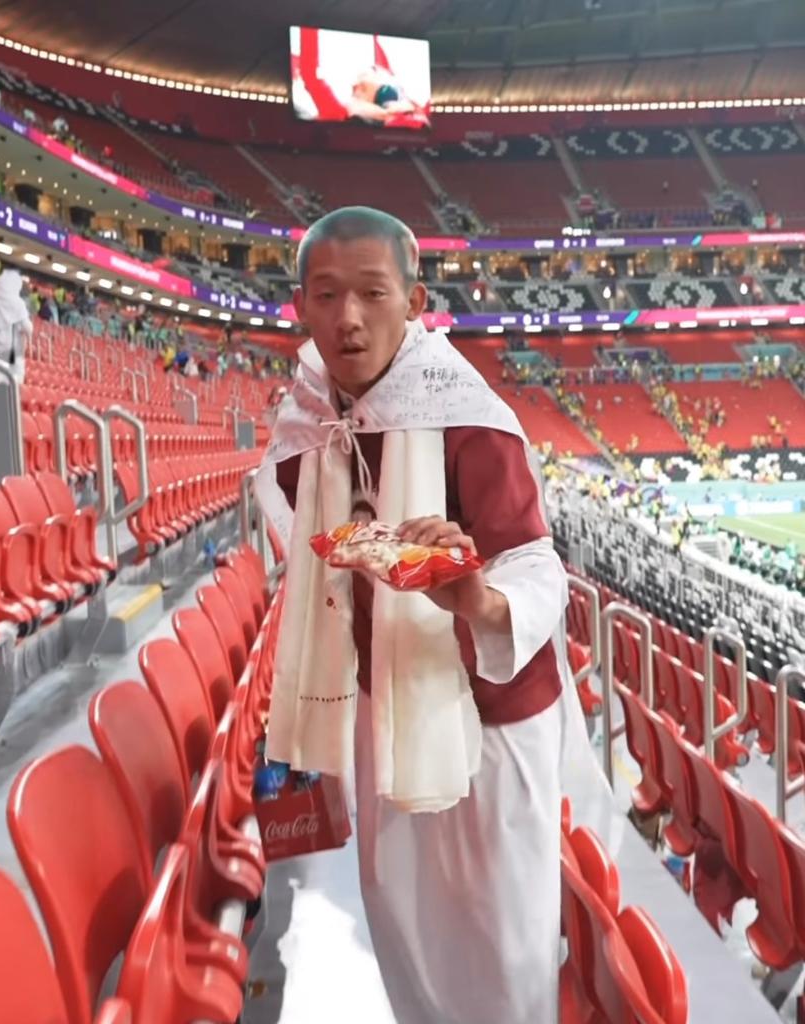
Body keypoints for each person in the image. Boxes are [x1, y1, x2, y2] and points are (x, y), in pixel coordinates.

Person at [255, 207, 609, 1024]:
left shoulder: (465, 412)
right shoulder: (309, 410)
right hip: (383, 703)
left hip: (488, 721)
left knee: (498, 935)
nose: (349, 318)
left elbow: (534, 565)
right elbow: (286, 506)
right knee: (402, 919)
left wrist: (472, 594)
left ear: (413, 300)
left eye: (373, 294)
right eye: (327, 295)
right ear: (301, 306)